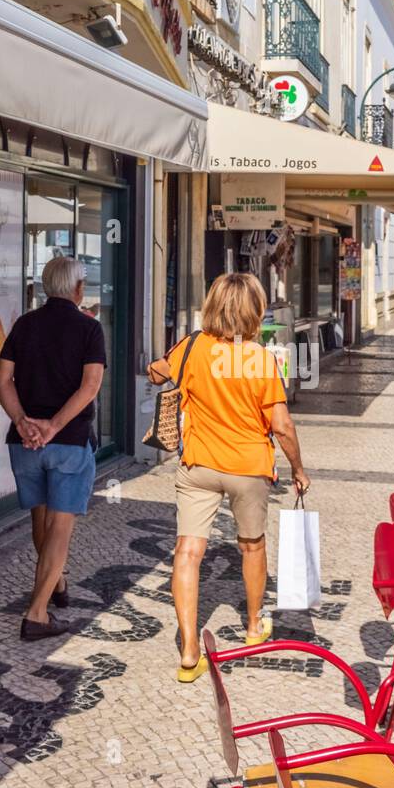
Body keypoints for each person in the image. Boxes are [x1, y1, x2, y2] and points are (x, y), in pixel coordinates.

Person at [147, 273, 308, 683]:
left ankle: (188, 651)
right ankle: (254, 626)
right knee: (252, 546)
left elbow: (156, 373)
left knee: (187, 551)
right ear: (254, 310)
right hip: (248, 468)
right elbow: (282, 426)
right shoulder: (259, 358)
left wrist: (164, 371)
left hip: (198, 466)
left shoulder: (192, 348)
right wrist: (299, 470)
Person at [0, 256, 105, 641]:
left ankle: (55, 585)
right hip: (68, 443)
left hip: (25, 445)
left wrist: (23, 421)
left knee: (40, 521)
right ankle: (37, 614)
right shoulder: (89, 329)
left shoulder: (25, 325)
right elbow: (90, 386)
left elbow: (0, 378)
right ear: (76, 290)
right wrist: (55, 426)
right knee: (60, 526)